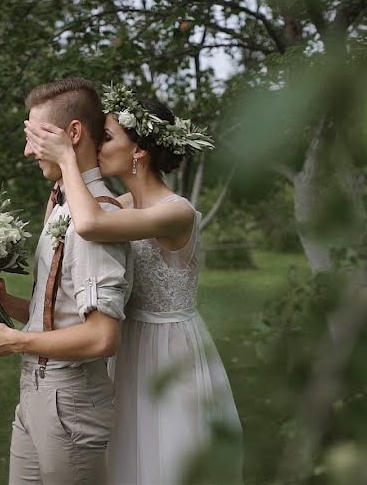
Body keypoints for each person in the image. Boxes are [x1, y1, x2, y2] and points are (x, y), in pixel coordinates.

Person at [23, 83, 243, 484]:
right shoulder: (119, 205)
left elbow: (88, 224)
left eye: (106, 137)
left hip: (167, 349)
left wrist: (68, 159)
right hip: (124, 345)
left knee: (167, 461)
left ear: (138, 150)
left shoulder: (178, 212)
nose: (97, 145)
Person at [0, 77, 132, 485]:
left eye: (35, 136)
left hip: (70, 403)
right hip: (36, 394)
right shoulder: (62, 206)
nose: (27, 150)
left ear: (71, 134)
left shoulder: (96, 220)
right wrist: (10, 304)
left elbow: (100, 338)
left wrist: (14, 341)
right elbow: (63, 311)